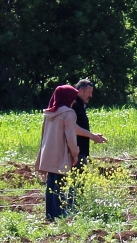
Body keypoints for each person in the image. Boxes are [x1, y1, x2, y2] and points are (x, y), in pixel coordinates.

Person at [37, 84, 82, 220]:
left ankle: (49, 215)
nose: (74, 101)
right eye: (73, 98)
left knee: (51, 184)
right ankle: (59, 215)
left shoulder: (49, 113)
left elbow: (43, 135)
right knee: (61, 184)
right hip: (61, 153)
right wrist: (75, 153)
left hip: (48, 154)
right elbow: (71, 137)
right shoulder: (68, 114)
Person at [71, 78, 108, 168]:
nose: (91, 95)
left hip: (81, 150)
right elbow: (72, 128)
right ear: (80, 91)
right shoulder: (74, 105)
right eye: (89, 92)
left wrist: (92, 135)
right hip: (76, 152)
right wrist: (91, 136)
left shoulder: (80, 105)